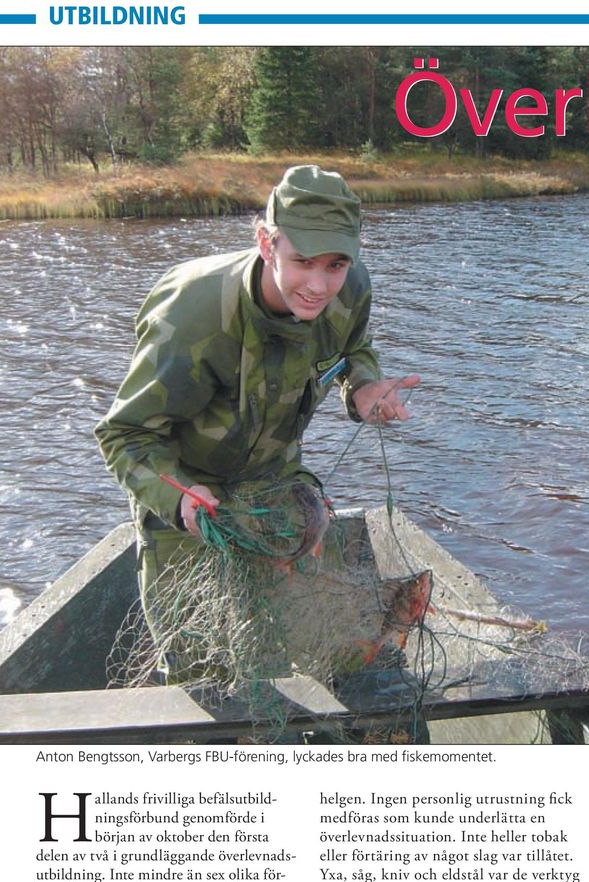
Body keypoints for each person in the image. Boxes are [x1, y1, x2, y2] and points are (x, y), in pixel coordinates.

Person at [95, 164, 419, 678]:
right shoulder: (193, 314)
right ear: (266, 243)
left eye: (335, 265)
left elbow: (354, 348)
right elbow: (124, 436)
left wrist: (362, 388)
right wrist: (182, 499)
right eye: (302, 262)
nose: (319, 285)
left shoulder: (351, 288)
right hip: (188, 494)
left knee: (314, 644)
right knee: (204, 671)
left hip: (276, 492)